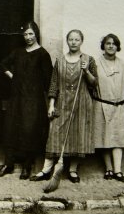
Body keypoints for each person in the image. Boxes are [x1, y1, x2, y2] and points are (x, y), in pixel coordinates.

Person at [30, 29, 97, 183]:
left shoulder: (89, 60)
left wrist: (86, 70)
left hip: (81, 104)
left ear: (81, 41)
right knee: (54, 134)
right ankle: (46, 170)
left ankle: (73, 170)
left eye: (77, 40)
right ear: (67, 41)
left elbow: (94, 83)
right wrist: (51, 105)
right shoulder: (60, 60)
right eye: (71, 39)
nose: (73, 42)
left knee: (77, 136)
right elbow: (54, 84)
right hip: (62, 102)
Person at [0, 22, 52, 179]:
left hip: (33, 100)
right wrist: (13, 77)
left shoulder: (43, 54)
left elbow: (49, 81)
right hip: (17, 98)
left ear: (36, 34)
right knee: (10, 129)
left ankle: (27, 166)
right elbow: (3, 64)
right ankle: (8, 164)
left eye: (31, 34)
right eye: (25, 34)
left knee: (29, 131)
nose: (28, 37)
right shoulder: (18, 52)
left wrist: (49, 102)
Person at [93, 34, 124, 182]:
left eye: (114, 44)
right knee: (104, 138)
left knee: (118, 138)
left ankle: (118, 170)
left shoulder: (123, 65)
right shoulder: (96, 64)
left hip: (119, 106)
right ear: (103, 46)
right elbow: (91, 83)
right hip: (102, 104)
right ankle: (108, 169)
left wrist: (119, 96)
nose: (110, 46)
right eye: (108, 43)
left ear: (117, 46)